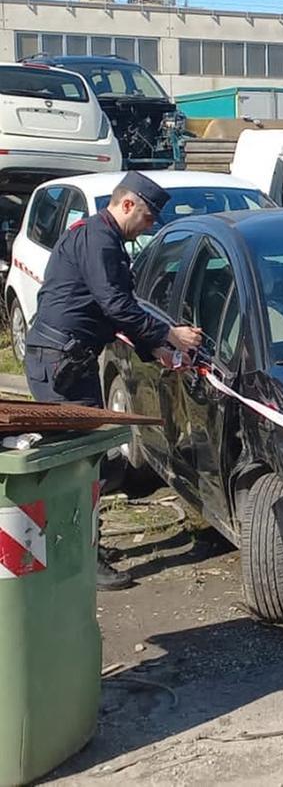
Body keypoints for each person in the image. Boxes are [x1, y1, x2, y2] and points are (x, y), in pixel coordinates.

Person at [24, 170, 202, 589]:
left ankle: (73, 547)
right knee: (81, 465)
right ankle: (83, 560)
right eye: (147, 218)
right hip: (61, 366)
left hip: (65, 360)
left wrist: (153, 349)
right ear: (126, 205)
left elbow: (108, 312)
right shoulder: (100, 240)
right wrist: (168, 334)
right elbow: (116, 304)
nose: (149, 228)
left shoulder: (98, 237)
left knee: (85, 462)